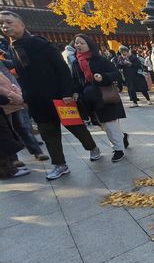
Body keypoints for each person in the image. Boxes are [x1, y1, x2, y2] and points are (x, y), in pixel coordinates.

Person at [0, 10, 101, 180]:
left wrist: (67, 92)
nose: (5, 26)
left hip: (59, 96)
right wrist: (25, 95)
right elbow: (23, 74)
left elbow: (61, 69)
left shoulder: (40, 44)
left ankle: (93, 148)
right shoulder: (12, 48)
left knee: (76, 127)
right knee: (49, 134)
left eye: (9, 22)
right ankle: (60, 165)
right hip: (37, 101)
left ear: (22, 24)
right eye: (2, 23)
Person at [71, 34, 129, 162]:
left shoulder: (100, 59)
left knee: (109, 124)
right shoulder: (76, 62)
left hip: (105, 96)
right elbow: (75, 80)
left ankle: (118, 149)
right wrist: (75, 92)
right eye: (76, 43)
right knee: (102, 124)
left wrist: (103, 77)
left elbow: (116, 74)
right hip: (90, 99)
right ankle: (121, 137)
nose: (78, 45)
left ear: (89, 45)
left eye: (82, 43)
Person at [0, 60, 48, 161]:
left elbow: (11, 79)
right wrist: (13, 95)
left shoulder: (1, 65)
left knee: (22, 127)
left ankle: (37, 151)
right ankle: (14, 159)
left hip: (14, 100)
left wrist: (17, 93)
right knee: (8, 131)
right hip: (4, 103)